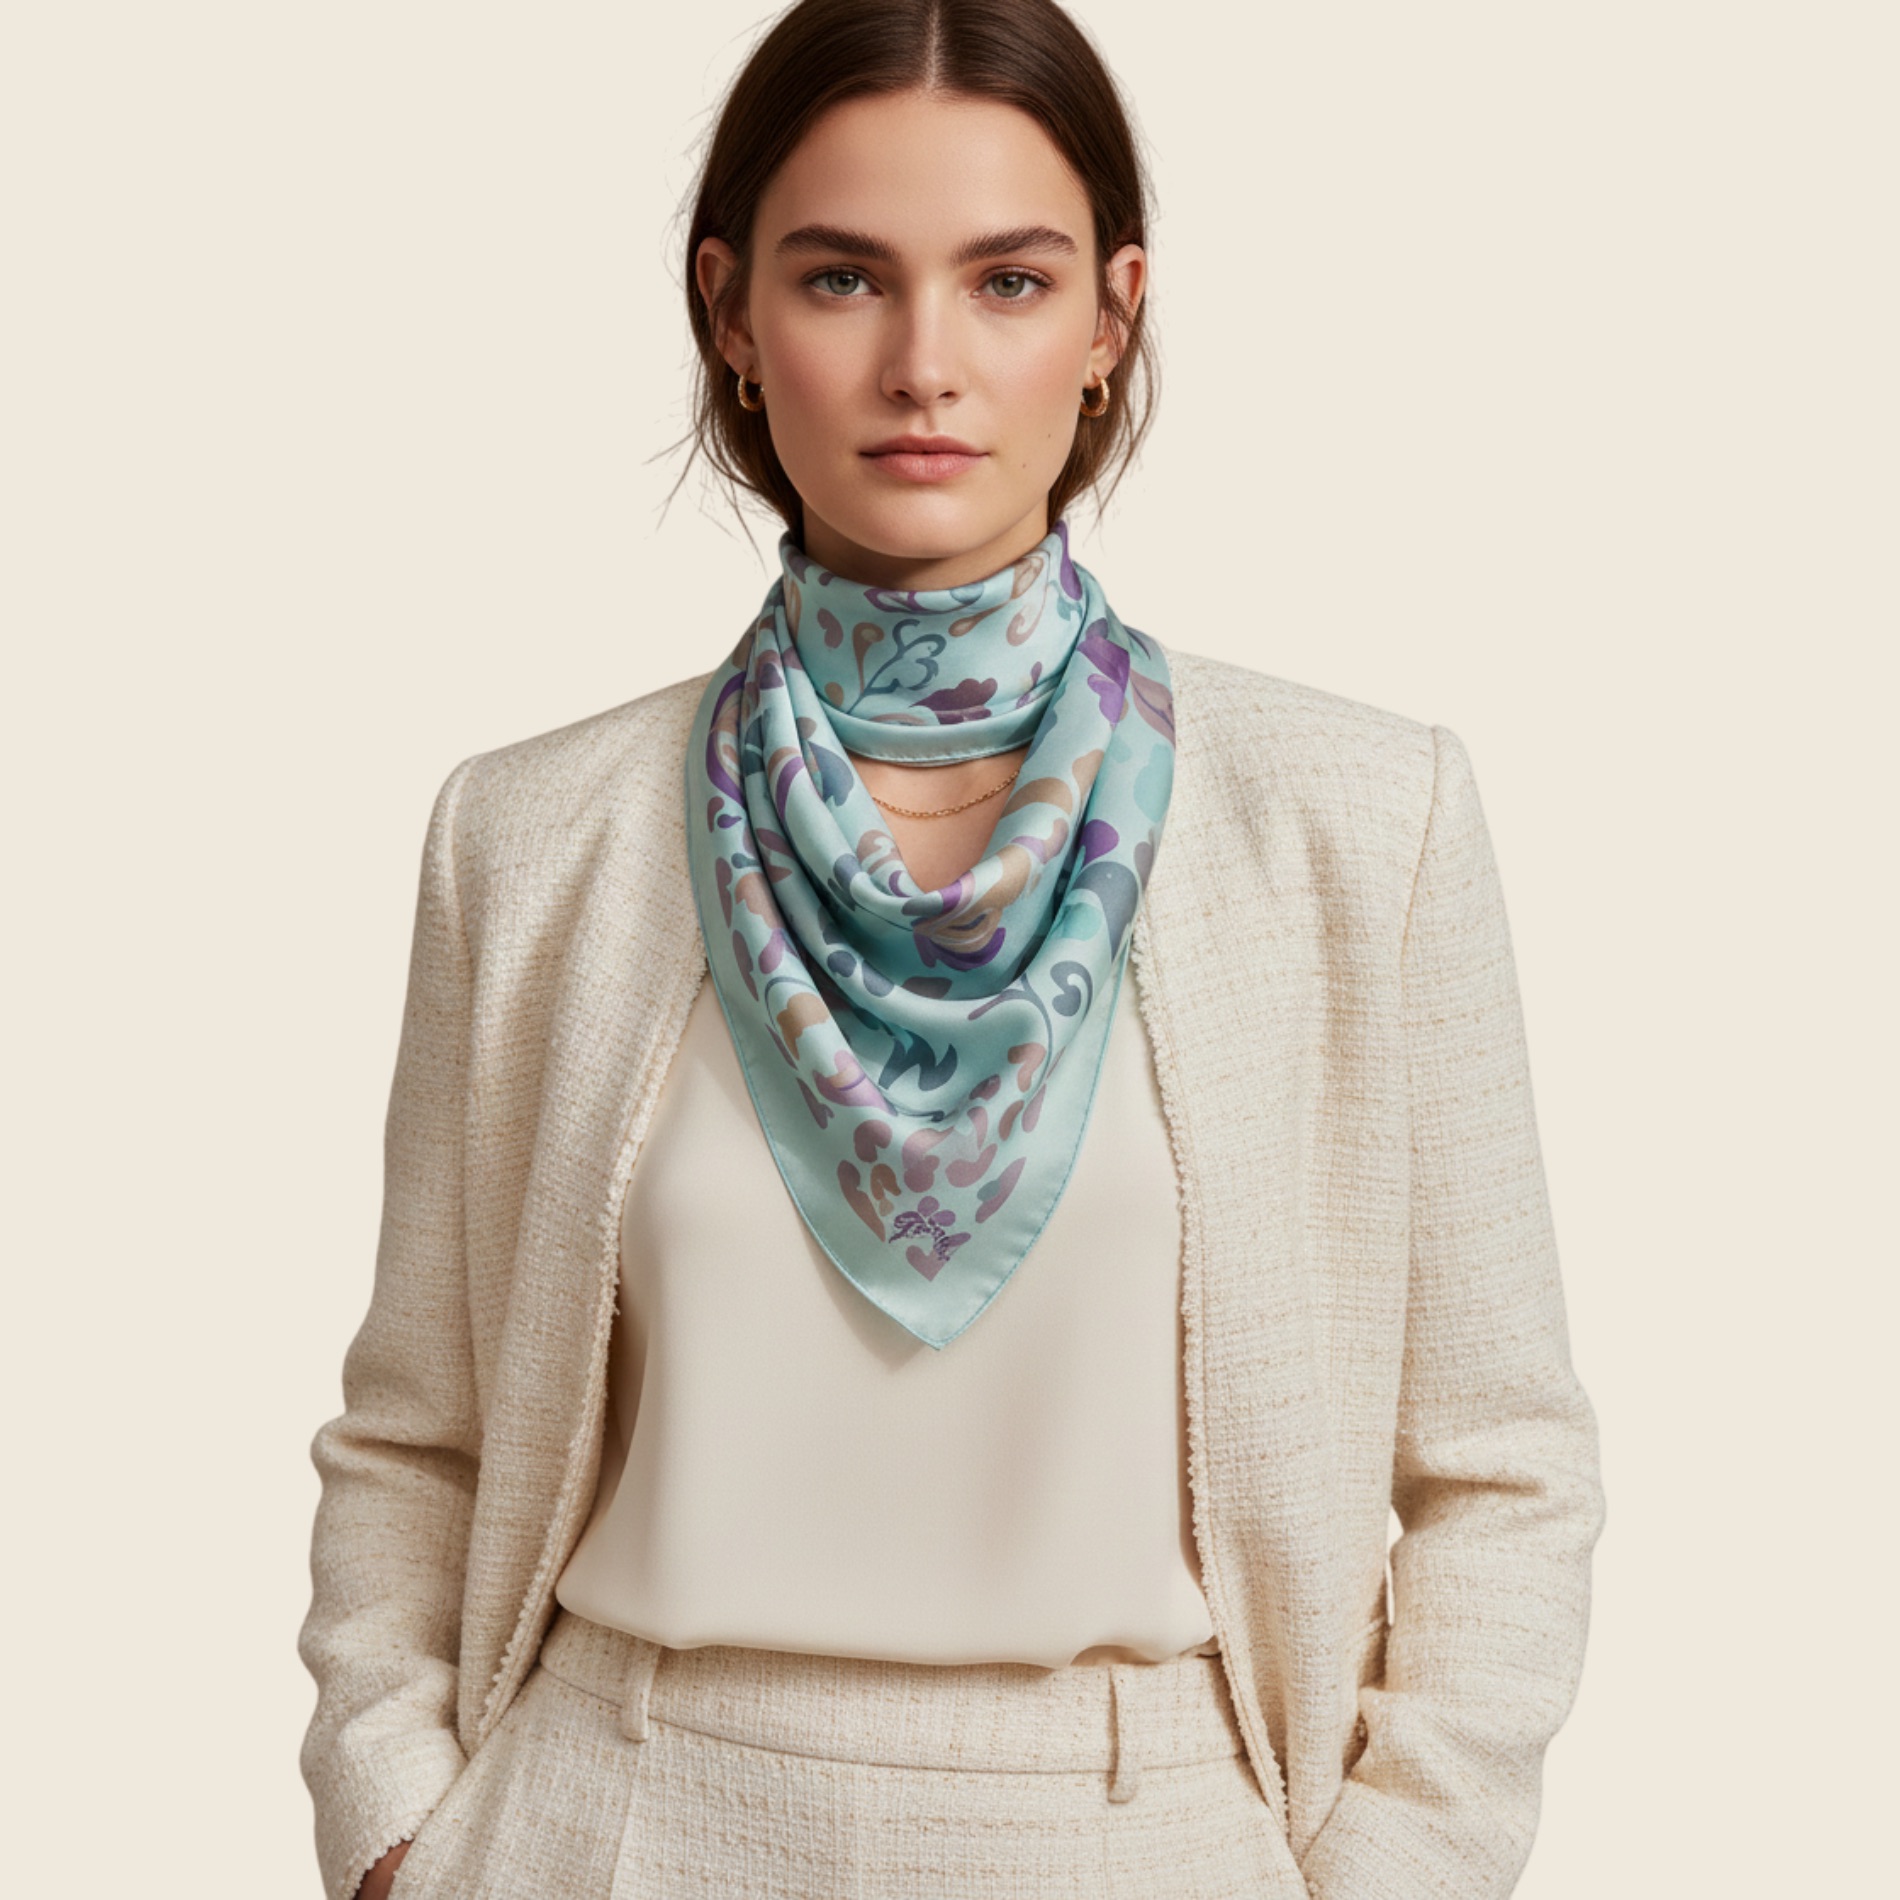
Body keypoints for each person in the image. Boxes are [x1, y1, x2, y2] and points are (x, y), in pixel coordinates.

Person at [297, 2, 1606, 1896]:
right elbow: (417, 1435)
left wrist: (1402, 1870)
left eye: (1009, 281)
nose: (925, 365)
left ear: (1112, 320)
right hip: (616, 1815)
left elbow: (1500, 1461)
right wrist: (399, 1831)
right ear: (732, 314)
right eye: (843, 278)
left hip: (1142, 1832)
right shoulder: (533, 838)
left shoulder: (1356, 821)